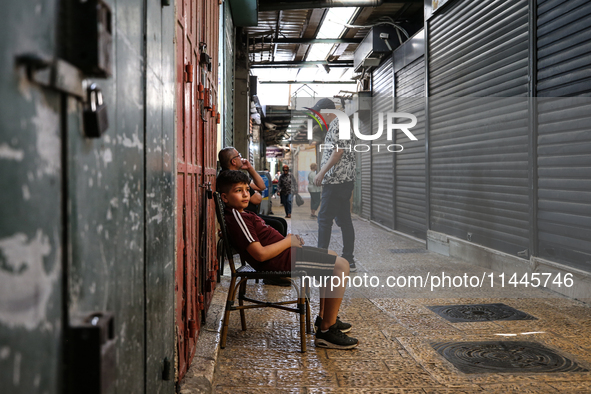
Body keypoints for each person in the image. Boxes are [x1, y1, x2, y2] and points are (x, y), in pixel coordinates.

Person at [217, 170, 358, 349]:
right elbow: (260, 254)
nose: (246, 194)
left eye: (246, 189)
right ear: (225, 197)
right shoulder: (237, 217)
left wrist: (289, 242)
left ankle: (325, 317)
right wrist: (287, 241)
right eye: (238, 190)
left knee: (332, 255)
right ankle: (327, 331)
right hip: (277, 260)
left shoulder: (241, 214)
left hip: (284, 253)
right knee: (341, 266)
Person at [312, 98, 358, 272]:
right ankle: (349, 260)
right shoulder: (340, 123)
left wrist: (322, 172)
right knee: (344, 219)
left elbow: (338, 152)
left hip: (336, 181)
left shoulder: (339, 124)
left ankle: (321, 260)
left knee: (324, 219)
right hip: (342, 181)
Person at [218, 147, 287, 236]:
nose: (242, 158)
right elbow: (257, 199)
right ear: (233, 161)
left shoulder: (233, 175)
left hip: (249, 214)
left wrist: (250, 168)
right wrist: (254, 192)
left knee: (281, 222)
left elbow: (261, 186)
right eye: (239, 156)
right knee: (279, 225)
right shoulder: (231, 178)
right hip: (242, 216)